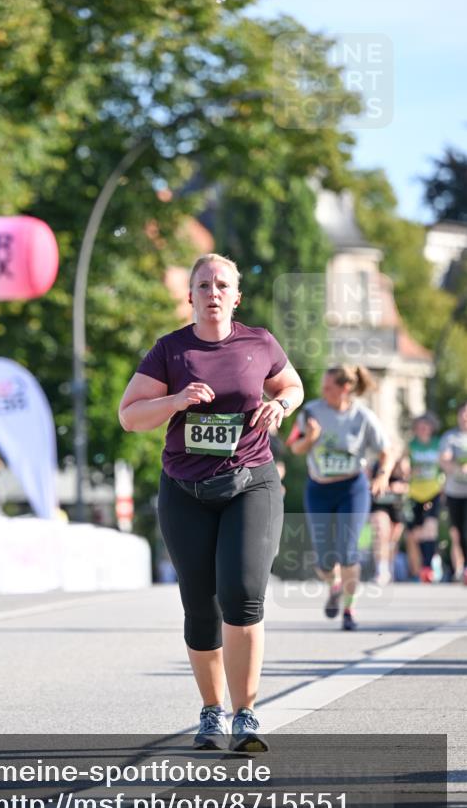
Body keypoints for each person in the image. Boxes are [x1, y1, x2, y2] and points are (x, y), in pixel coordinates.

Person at [118, 253, 303, 752]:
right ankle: (212, 711)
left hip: (250, 484)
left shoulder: (258, 342)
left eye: (222, 285)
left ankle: (245, 714)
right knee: (200, 605)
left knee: (242, 595)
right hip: (185, 491)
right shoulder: (171, 351)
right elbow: (130, 416)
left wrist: (280, 405)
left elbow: (292, 384)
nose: (213, 292)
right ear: (191, 295)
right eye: (204, 285)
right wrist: (175, 401)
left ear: (236, 296)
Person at [290, 366, 394, 630]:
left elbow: (387, 451)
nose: (323, 392)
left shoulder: (362, 416)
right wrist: (311, 438)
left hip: (352, 489)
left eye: (328, 387)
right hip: (319, 489)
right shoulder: (311, 411)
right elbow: (295, 447)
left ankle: (349, 609)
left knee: (348, 550)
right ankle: (333, 586)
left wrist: (382, 476)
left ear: (345, 388)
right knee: (324, 559)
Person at [405, 414, 444, 582]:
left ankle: (428, 567)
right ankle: (425, 564)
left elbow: (444, 463)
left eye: (426, 426)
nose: (423, 429)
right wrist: (407, 470)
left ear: (431, 428)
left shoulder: (438, 444)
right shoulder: (411, 445)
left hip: (433, 491)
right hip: (414, 493)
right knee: (417, 532)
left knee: (430, 527)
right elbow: (404, 465)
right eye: (420, 426)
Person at [369, 454, 408, 585]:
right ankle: (381, 569)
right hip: (379, 504)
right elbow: (365, 481)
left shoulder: (402, 460)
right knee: (381, 533)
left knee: (392, 541)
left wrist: (401, 487)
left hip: (397, 506)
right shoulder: (374, 462)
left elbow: (410, 482)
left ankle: (389, 568)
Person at [439, 401, 467, 583]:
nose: (465, 417)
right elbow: (444, 460)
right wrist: (458, 468)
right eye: (462, 413)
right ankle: (461, 567)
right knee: (457, 532)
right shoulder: (450, 437)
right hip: (454, 492)